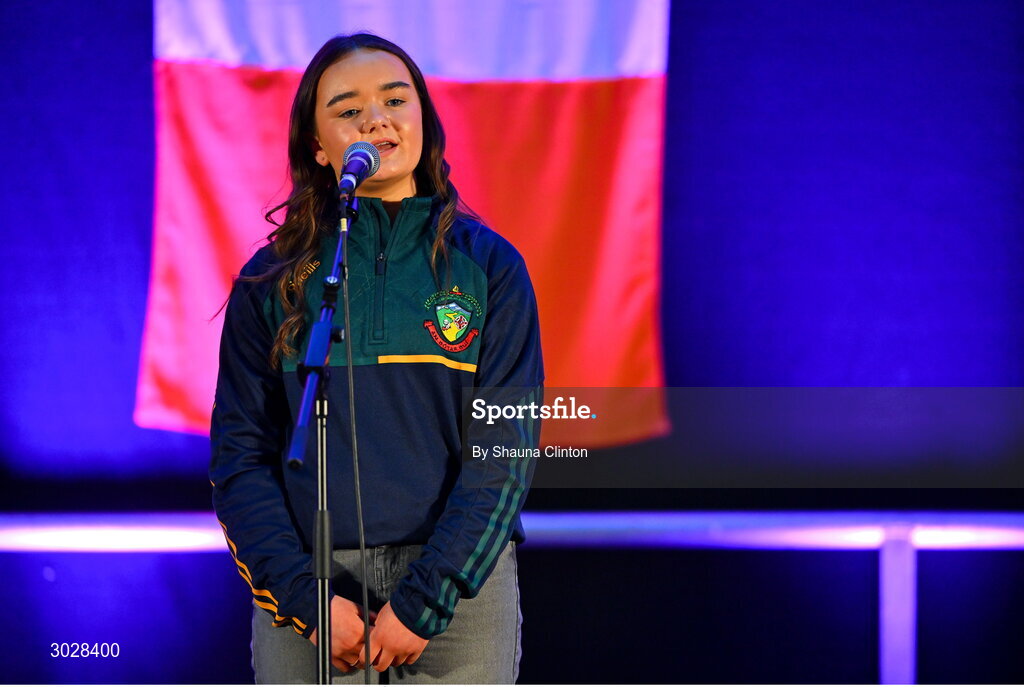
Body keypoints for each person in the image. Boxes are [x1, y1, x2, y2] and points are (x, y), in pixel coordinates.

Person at [209, 33, 543, 684]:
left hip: (455, 599)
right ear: (317, 144)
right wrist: (306, 596)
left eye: (396, 98)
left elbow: (506, 451)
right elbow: (239, 457)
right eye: (347, 108)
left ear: (424, 118)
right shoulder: (273, 282)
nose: (377, 118)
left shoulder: (490, 268)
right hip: (312, 587)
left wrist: (425, 600)